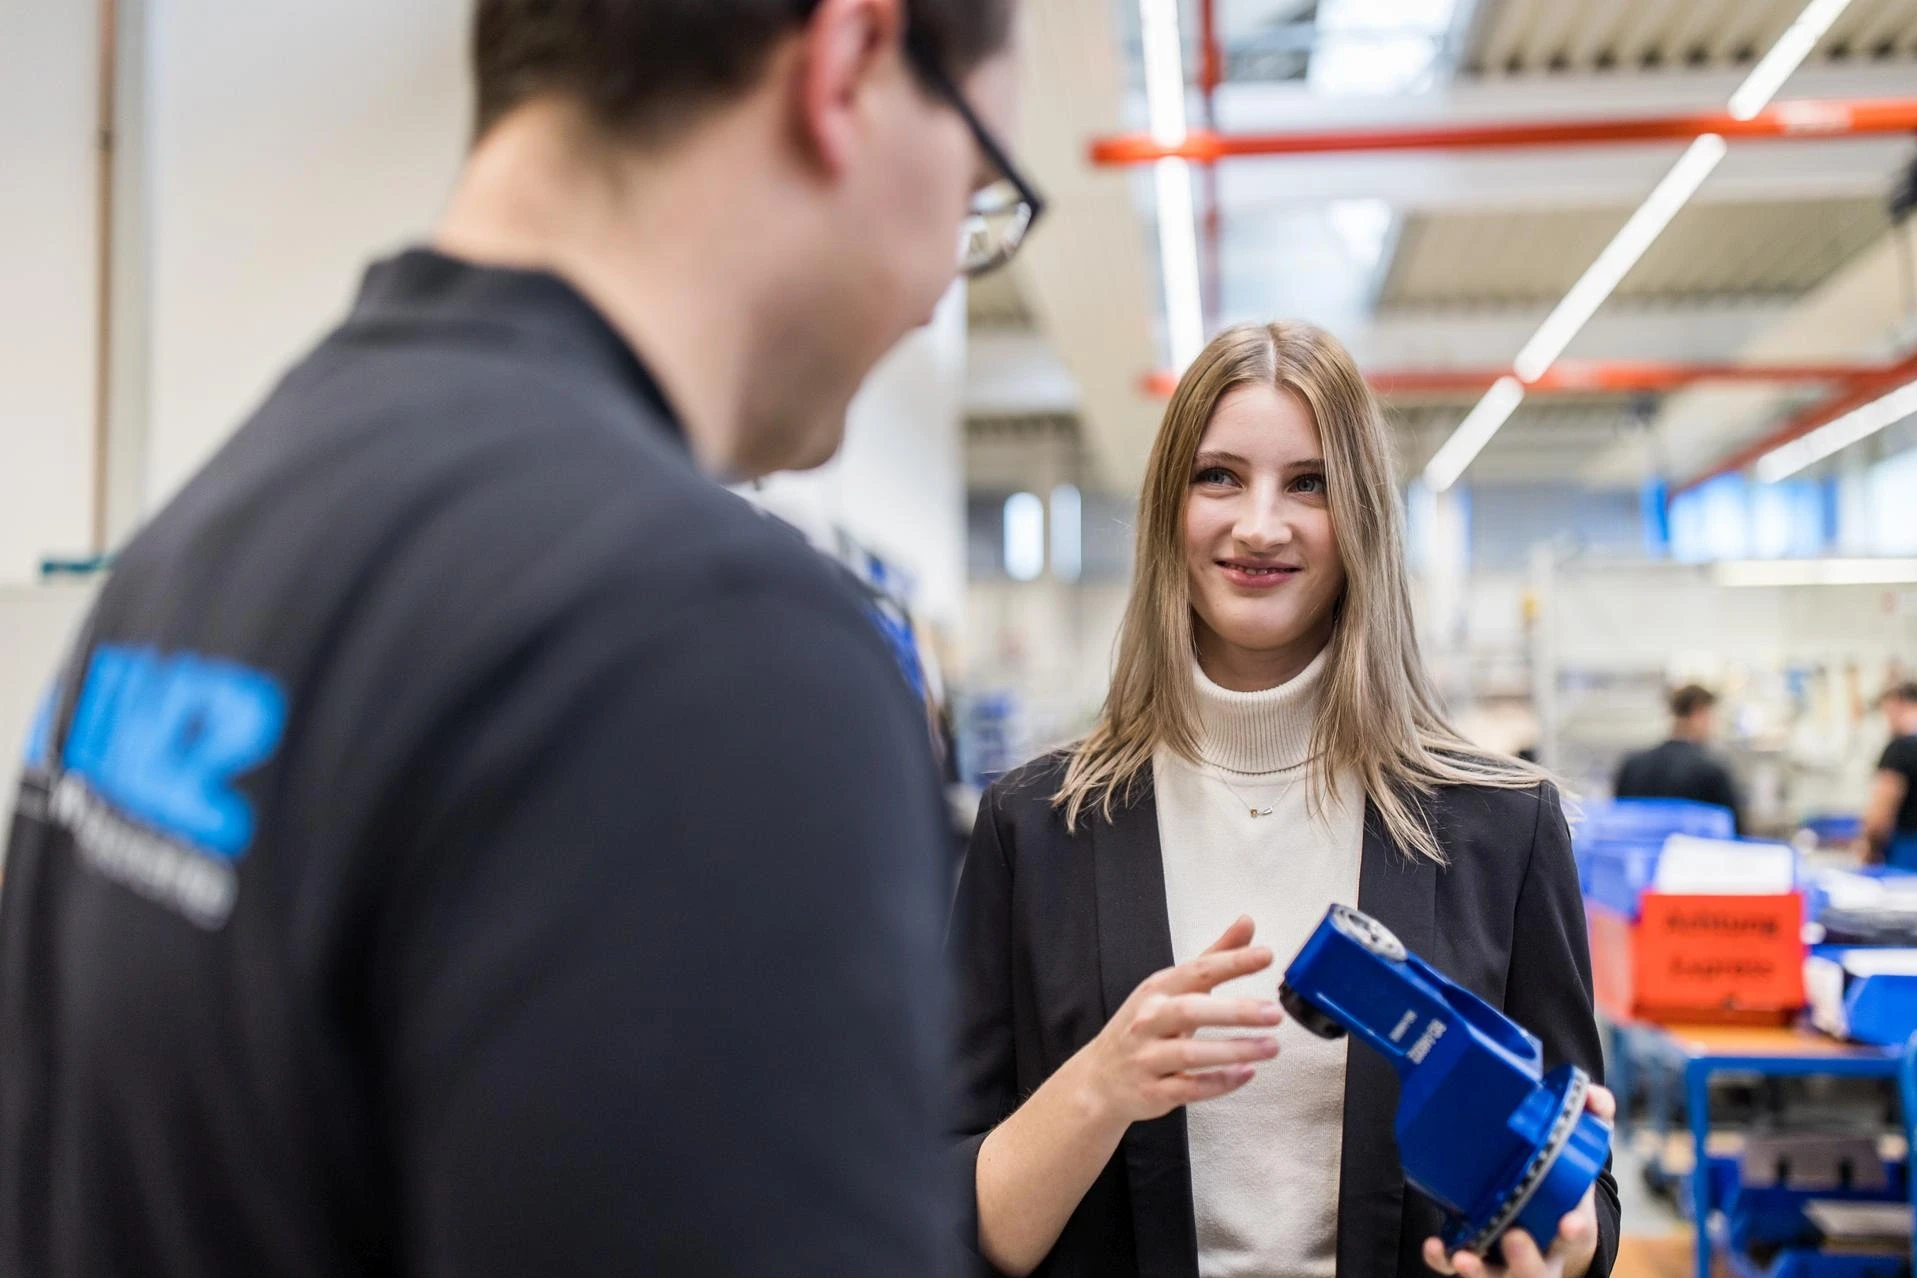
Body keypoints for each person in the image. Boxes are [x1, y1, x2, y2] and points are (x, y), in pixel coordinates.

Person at [0, 1, 1032, 1274]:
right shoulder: (709, 660)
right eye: (978, 188)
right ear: (848, 63)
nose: (945, 280)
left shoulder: (211, 534)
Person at [948, 322, 1620, 1278]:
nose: (1259, 525)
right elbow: (954, 1216)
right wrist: (1101, 1084)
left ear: (1362, 521)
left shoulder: (1499, 827)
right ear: (1165, 510)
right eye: (1217, 476)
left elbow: (1580, 1204)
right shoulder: (1038, 828)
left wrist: (1562, 1237)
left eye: (1308, 483)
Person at [1613, 684, 1744, 834]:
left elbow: (1618, 827)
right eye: (1712, 717)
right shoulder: (1712, 771)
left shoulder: (1632, 766)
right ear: (1698, 713)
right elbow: (1734, 835)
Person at [1864, 681, 1917, 868]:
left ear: (1898, 704)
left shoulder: (1899, 749)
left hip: (1907, 860)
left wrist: (1869, 851)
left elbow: (1879, 818)